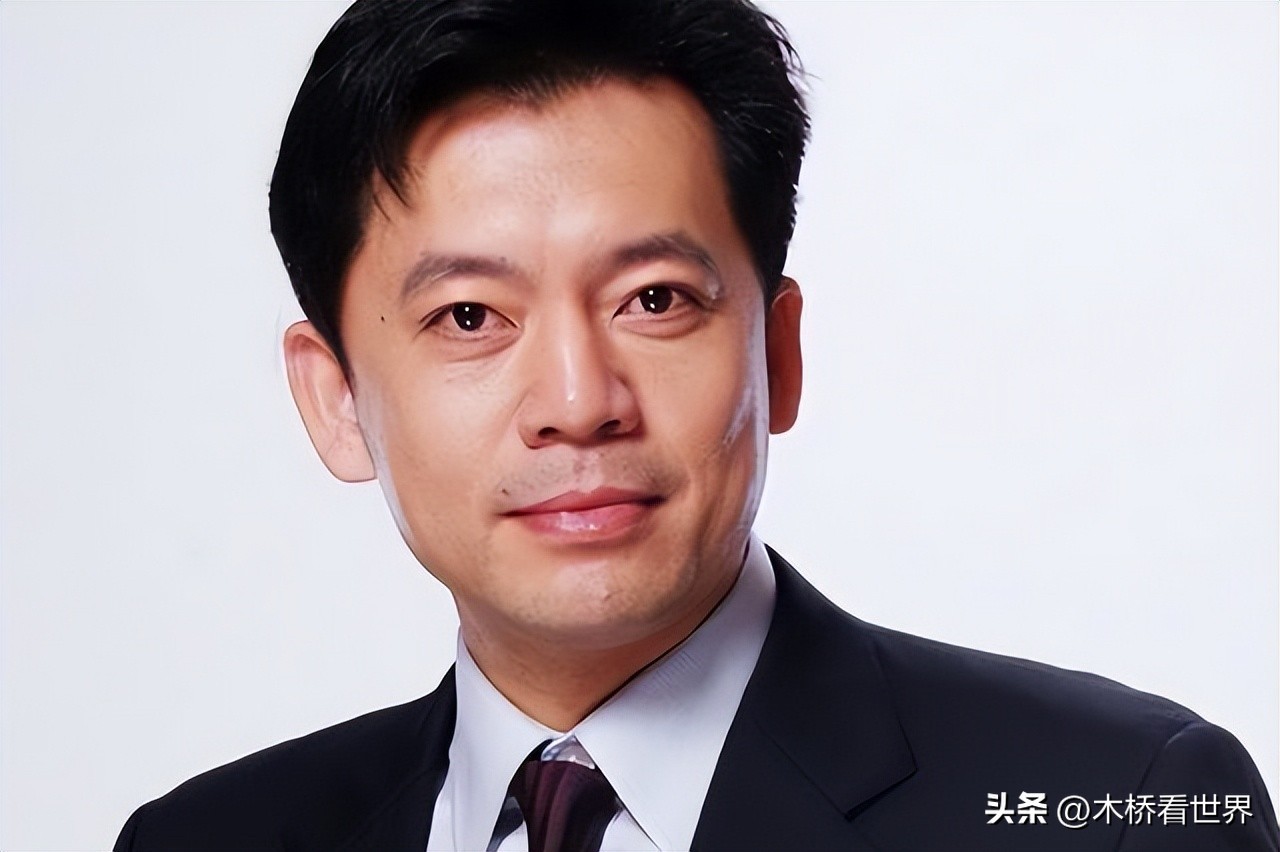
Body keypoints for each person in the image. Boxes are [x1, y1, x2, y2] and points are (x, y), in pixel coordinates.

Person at [114, 0, 1278, 849]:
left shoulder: (1121, 806)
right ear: (333, 399)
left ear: (777, 351)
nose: (578, 403)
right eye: (469, 316)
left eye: (654, 300)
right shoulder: (206, 839)